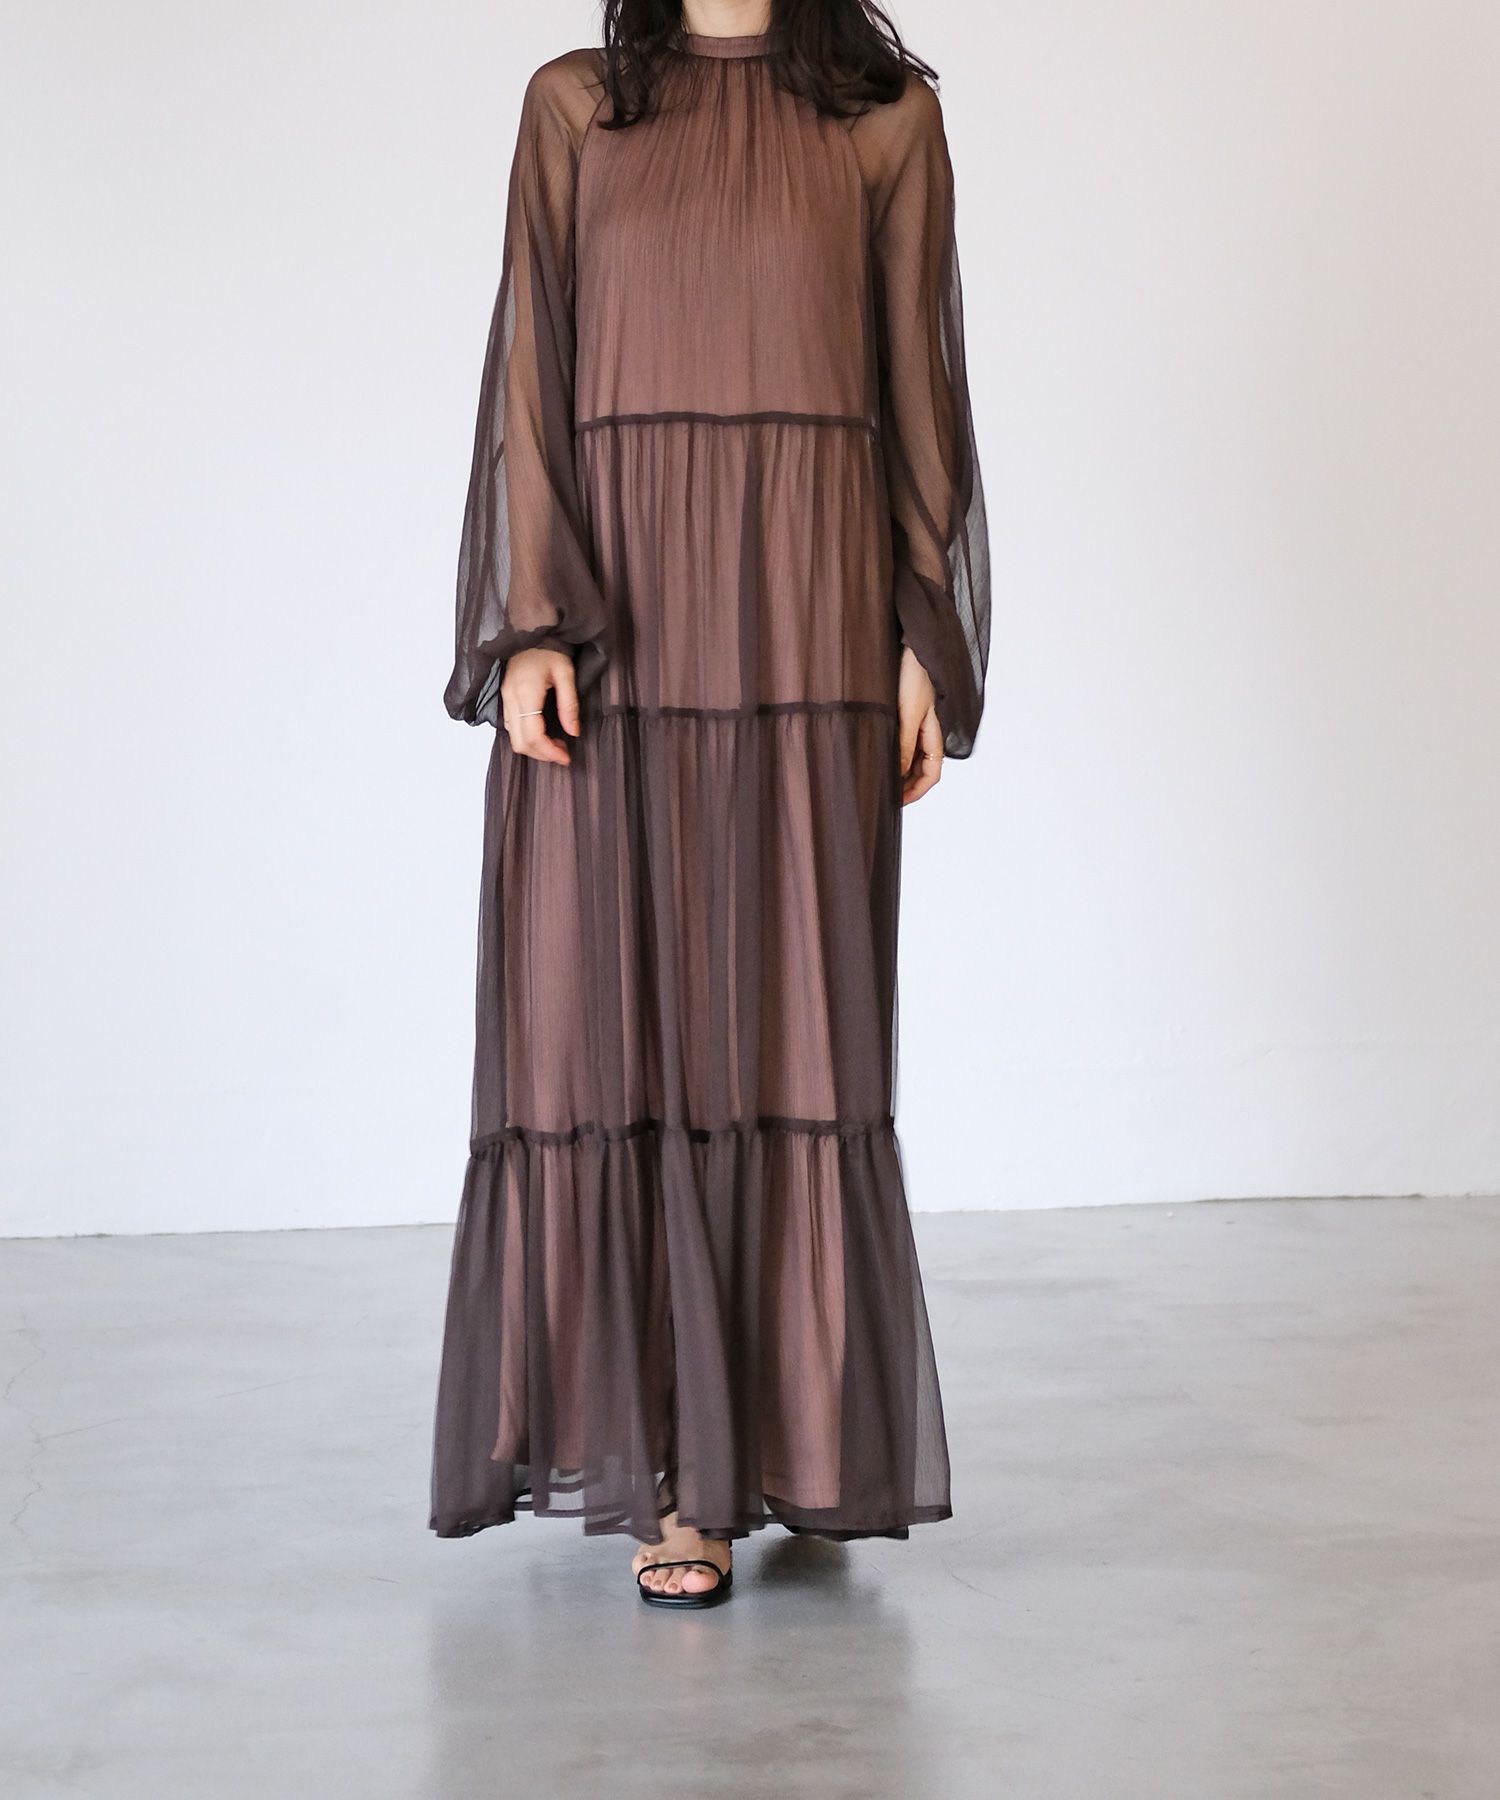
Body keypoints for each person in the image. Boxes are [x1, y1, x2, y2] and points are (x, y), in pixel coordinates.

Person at [431, 0, 989, 1610]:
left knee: (793, 1031)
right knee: (619, 1028)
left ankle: (795, 1440)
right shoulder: (578, 107)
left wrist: (919, 637)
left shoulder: (885, 117)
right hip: (623, 624)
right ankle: (673, 1473)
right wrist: (532, 622)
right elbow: (531, 367)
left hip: (810, 622)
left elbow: (921, 394)